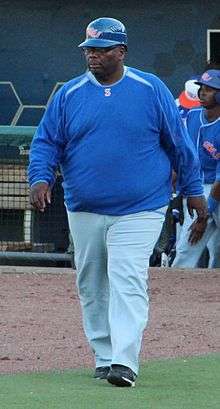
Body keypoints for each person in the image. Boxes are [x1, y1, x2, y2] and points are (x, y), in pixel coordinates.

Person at [28, 17, 207, 387]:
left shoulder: (149, 88)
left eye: (101, 49)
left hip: (141, 207)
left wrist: (192, 190)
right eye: (89, 49)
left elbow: (179, 143)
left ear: (121, 51)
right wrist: (40, 177)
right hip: (84, 206)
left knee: (126, 276)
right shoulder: (70, 93)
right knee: (91, 282)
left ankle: (124, 362)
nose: (92, 56)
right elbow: (47, 141)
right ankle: (104, 355)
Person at [172, 69, 220, 268]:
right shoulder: (193, 116)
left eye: (210, 89)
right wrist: (174, 188)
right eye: (202, 88)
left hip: (215, 186)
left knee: (217, 252)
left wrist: (206, 212)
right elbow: (183, 155)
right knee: (185, 250)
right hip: (197, 186)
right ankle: (175, 295)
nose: (203, 92)